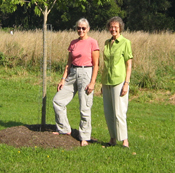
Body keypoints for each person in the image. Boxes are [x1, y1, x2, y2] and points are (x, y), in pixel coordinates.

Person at [53, 18, 100, 147]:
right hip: (73, 73)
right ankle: (64, 128)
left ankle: (84, 136)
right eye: (78, 28)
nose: (81, 30)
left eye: (83, 28)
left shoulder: (92, 43)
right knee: (58, 100)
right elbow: (68, 63)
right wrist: (63, 79)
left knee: (84, 107)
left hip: (86, 73)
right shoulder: (73, 43)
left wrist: (92, 82)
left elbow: (96, 65)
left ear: (88, 29)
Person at [102, 16, 133, 148]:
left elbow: (129, 64)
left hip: (119, 80)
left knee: (119, 111)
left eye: (116, 27)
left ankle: (124, 140)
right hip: (106, 81)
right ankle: (113, 138)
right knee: (109, 112)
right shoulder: (106, 43)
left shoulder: (125, 42)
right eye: (111, 27)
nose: (113, 29)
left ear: (120, 28)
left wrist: (126, 83)